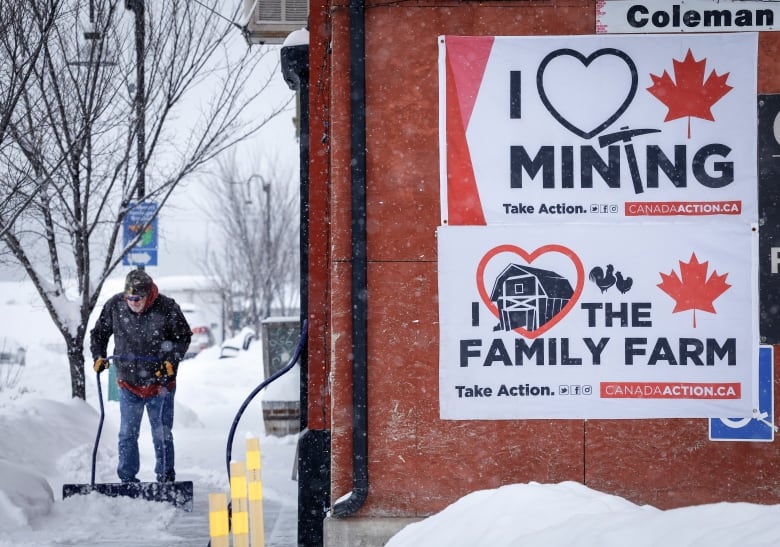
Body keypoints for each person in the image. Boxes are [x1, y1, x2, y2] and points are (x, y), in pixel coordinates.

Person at [90, 269, 192, 483]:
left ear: (149, 295)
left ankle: (165, 478)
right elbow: (98, 334)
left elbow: (183, 336)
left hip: (160, 384)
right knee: (127, 433)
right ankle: (127, 479)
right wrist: (98, 356)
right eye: (130, 298)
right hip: (128, 383)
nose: (133, 302)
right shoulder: (115, 306)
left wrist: (170, 361)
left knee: (161, 434)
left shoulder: (167, 308)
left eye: (138, 298)